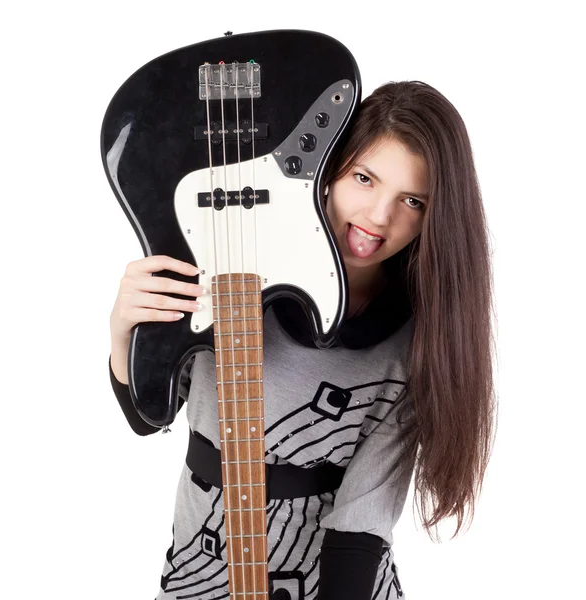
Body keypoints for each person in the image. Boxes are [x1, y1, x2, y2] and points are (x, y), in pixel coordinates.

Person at [108, 80, 497, 600]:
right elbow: (147, 414)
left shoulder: (417, 343)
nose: (380, 217)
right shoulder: (232, 263)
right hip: (198, 573)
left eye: (412, 200)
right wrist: (124, 331)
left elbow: (360, 528)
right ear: (328, 171)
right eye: (364, 178)